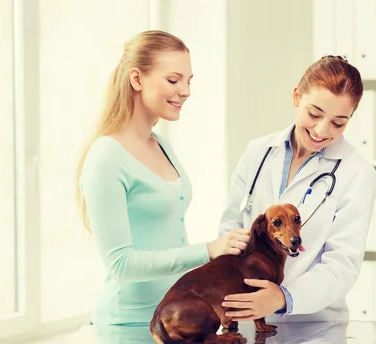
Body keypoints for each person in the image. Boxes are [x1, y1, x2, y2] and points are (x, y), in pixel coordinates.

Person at [76, 30, 247, 326]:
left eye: (189, 81)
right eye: (173, 80)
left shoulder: (161, 145)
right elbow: (121, 265)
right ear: (137, 79)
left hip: (175, 316)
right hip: (130, 323)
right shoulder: (106, 157)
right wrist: (207, 251)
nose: (185, 91)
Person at [219, 55, 376, 323]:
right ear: (296, 97)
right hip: (245, 315)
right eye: (314, 114)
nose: (321, 130)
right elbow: (230, 229)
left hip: (311, 326)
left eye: (338, 122)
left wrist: (283, 298)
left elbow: (341, 266)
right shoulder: (258, 152)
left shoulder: (357, 175)